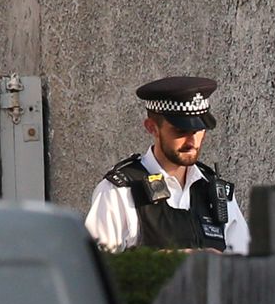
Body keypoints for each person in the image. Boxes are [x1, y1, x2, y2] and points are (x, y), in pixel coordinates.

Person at [85, 76, 250, 255]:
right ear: (152, 128)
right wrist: (165, 260)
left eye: (198, 130)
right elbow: (91, 271)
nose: (192, 141)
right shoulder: (119, 191)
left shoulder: (217, 193)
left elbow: (247, 268)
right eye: (181, 131)